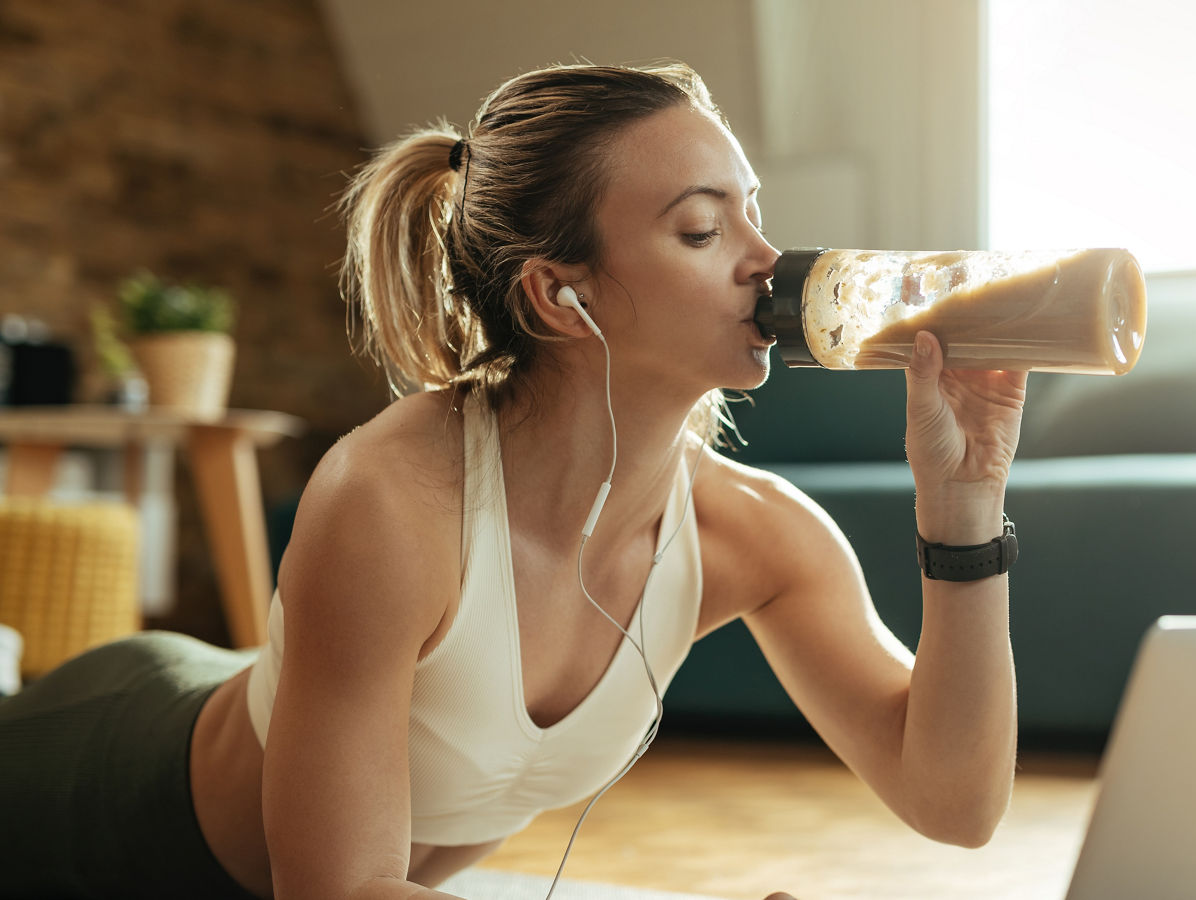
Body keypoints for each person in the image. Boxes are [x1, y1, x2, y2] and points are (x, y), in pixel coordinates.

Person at [0, 62, 1027, 900]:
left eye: (754, 215)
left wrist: (964, 511)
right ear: (557, 295)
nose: (767, 260)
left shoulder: (749, 536)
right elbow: (336, 892)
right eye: (703, 229)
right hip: (93, 791)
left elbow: (955, 805)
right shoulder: (392, 501)